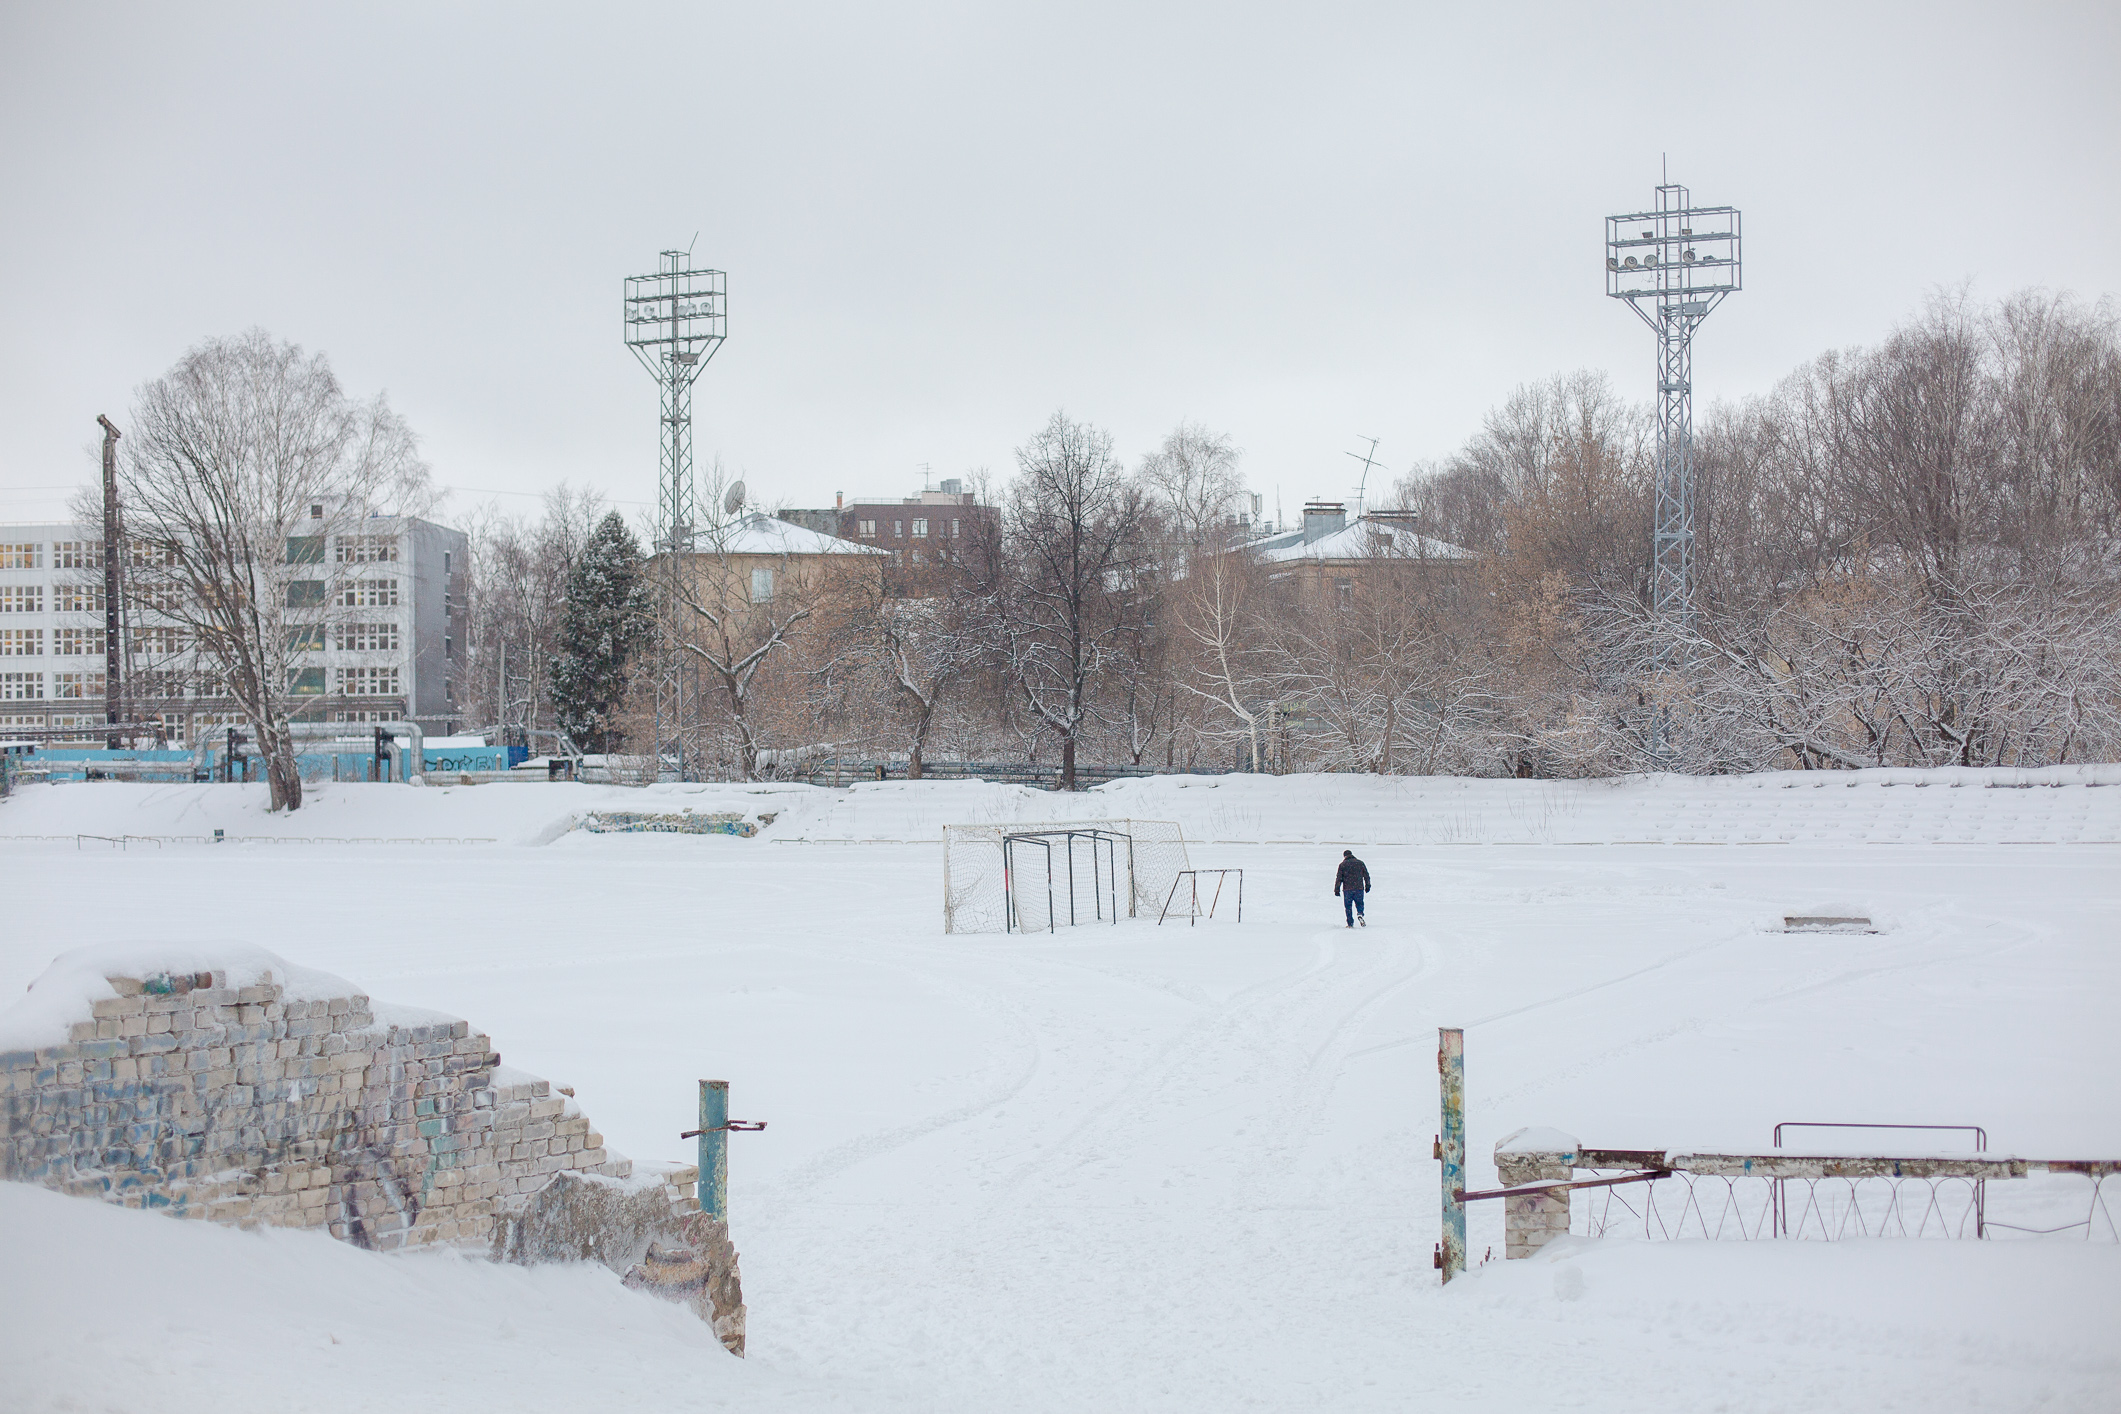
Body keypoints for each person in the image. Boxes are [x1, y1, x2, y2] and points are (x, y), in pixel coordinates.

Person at [1333, 849, 1371, 928]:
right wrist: (1368, 885)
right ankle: (1360, 914)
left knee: (1348, 907)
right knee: (1359, 903)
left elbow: (1339, 878)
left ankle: (1350, 923)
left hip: (1347, 889)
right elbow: (1366, 875)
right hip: (1359, 888)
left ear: (1345, 856)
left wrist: (1337, 889)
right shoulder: (1360, 863)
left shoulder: (1342, 865)